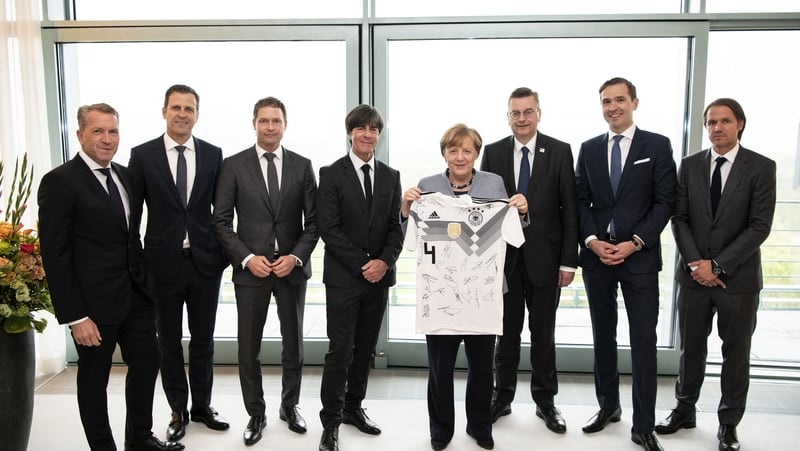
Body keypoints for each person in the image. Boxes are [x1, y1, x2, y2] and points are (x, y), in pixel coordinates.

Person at [38, 103, 183, 451]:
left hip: (135, 295)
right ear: (80, 135)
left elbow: (130, 235)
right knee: (94, 380)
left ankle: (140, 437)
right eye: (98, 131)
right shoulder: (59, 182)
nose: (107, 139)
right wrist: (75, 316)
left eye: (113, 131)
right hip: (92, 306)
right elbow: (55, 256)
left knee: (148, 362)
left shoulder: (125, 175)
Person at [655, 98, 776, 451]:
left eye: (724, 121)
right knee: (690, 348)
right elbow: (679, 219)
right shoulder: (690, 166)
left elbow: (759, 227)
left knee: (735, 353)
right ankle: (684, 409)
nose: (717, 128)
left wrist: (718, 266)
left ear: (739, 124)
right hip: (693, 277)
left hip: (738, 281)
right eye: (711, 122)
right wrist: (696, 264)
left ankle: (727, 423)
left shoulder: (760, 167)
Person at [402, 123, 528, 451]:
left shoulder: (494, 183)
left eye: (467, 150)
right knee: (440, 370)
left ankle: (480, 426)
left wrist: (520, 211)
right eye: (453, 150)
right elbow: (410, 236)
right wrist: (406, 208)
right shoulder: (427, 187)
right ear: (444, 153)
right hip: (441, 293)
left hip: (482, 294)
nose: (460, 157)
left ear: (476, 154)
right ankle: (441, 430)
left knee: (483, 369)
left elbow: (512, 233)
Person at [575, 77, 676, 451]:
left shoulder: (657, 145)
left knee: (643, 341)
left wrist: (635, 243)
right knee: (603, 336)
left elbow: (665, 202)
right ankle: (608, 407)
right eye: (606, 101)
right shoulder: (588, 149)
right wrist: (592, 241)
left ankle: (643, 425)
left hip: (640, 259)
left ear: (634, 102)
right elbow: (580, 201)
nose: (613, 107)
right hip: (599, 258)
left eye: (619, 100)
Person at [213, 96, 319, 446]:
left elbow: (314, 222)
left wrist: (296, 257)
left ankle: (290, 407)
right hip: (251, 272)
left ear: (285, 124)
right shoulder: (233, 166)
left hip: (290, 270)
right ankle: (255, 414)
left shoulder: (303, 166)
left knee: (294, 346)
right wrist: (246, 258)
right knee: (248, 348)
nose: (270, 126)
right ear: (254, 123)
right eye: (264, 120)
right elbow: (222, 222)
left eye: (276, 120)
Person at [128, 84, 230, 442]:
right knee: (168, 340)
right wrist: (138, 263)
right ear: (164, 111)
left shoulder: (214, 155)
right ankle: (177, 409)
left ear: (197, 115)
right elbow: (132, 214)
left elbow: (224, 212)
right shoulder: (142, 156)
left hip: (205, 263)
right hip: (161, 265)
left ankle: (202, 406)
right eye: (176, 107)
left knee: (203, 339)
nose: (182, 114)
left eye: (189, 108)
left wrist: (224, 255)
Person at [480, 87, 578, 433]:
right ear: (508, 116)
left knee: (543, 335)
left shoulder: (561, 151)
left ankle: (546, 402)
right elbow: (484, 207)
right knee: (505, 335)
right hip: (503, 262)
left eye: (528, 112)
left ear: (539, 113)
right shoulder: (492, 153)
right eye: (515, 113)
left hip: (547, 261)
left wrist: (569, 262)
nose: (521, 118)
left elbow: (570, 211)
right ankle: (502, 397)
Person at [316, 104, 403, 451]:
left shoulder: (390, 175)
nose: (368, 134)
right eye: (361, 128)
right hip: (344, 279)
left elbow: (396, 228)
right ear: (350, 132)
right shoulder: (331, 173)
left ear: (379, 135)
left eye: (374, 129)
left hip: (378, 280)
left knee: (365, 349)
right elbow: (329, 229)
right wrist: (365, 263)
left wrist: (383, 262)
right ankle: (331, 421)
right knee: (340, 350)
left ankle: (354, 408)